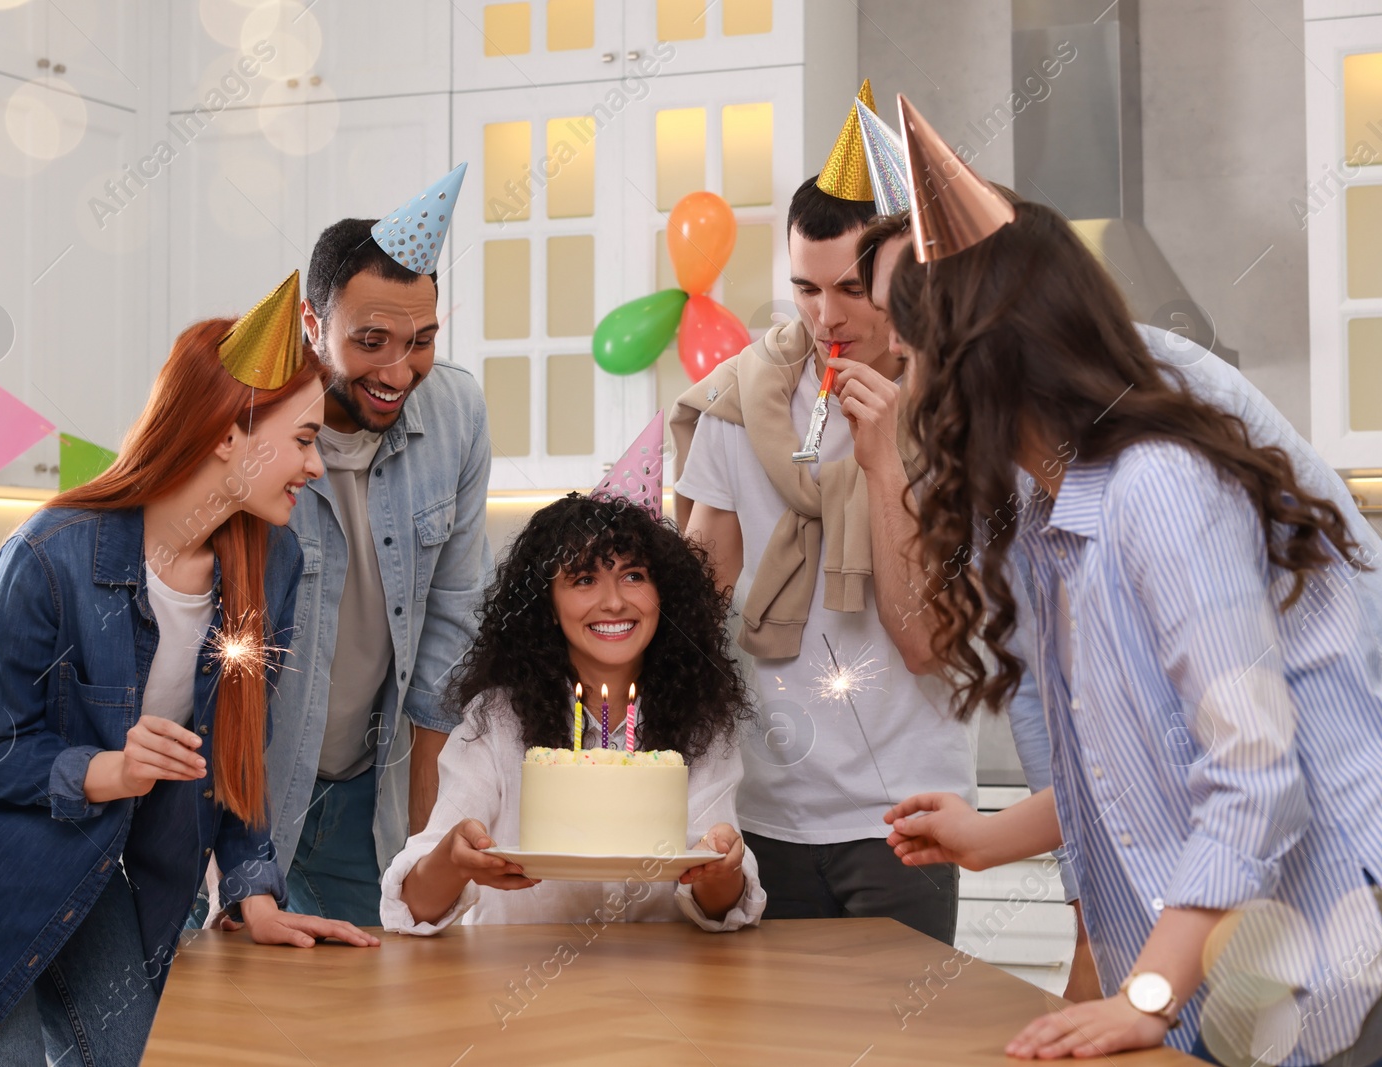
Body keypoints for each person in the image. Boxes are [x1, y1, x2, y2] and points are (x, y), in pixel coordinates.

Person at [877, 97, 1382, 1064]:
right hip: (1241, 985)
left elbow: (1251, 777)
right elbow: (1139, 758)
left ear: (978, 357)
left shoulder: (1159, 489)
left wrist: (1146, 995)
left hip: (1329, 963)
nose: (906, 385)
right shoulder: (1047, 517)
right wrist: (992, 835)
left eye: (915, 354)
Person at [0, 274, 378, 1067]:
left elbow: (242, 740)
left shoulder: (271, 560)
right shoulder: (51, 552)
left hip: (84, 859)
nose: (316, 466)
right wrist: (112, 768)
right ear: (227, 434)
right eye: (305, 438)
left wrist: (251, 886)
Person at [672, 82, 975, 943]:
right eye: (804, 288)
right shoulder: (738, 401)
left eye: (850, 289)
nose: (825, 317)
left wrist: (882, 464)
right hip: (762, 811)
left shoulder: (964, 418)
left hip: (910, 812)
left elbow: (924, 640)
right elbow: (698, 594)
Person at [268, 165, 495, 927]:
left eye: (421, 340)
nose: (400, 371)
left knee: (376, 1015)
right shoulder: (250, 423)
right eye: (371, 341)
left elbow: (449, 639)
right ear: (311, 323)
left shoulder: (457, 411)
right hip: (243, 786)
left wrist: (424, 847)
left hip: (368, 789)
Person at [380, 492, 765, 934]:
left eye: (634, 575)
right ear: (546, 602)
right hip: (516, 980)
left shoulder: (703, 722)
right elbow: (412, 909)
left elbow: (722, 910)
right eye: (584, 579)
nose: (615, 602)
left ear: (667, 592)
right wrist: (454, 859)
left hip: (662, 983)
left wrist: (721, 869)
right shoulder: (497, 719)